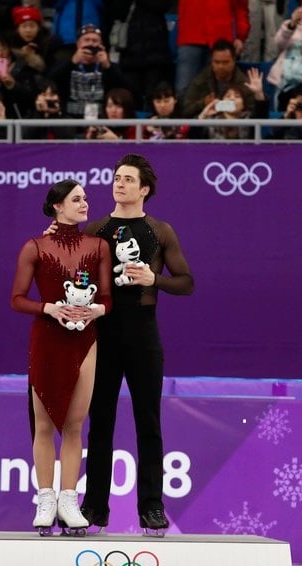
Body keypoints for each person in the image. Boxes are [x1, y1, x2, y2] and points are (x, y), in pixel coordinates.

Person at [80, 154, 195, 535]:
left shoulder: (160, 230)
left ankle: (152, 508)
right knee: (100, 423)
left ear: (144, 189)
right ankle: (95, 508)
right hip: (103, 332)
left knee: (149, 422)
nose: (119, 183)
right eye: (116, 177)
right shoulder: (95, 228)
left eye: (128, 179)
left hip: (143, 333)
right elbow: (76, 274)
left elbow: (187, 282)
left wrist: (153, 278)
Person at [11, 179, 112, 536]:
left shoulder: (98, 246)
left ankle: (69, 500)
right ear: (57, 205)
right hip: (47, 338)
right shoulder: (34, 246)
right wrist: (49, 307)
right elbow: (17, 298)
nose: (84, 203)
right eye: (76, 199)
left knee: (73, 424)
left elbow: (107, 298)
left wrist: (96, 310)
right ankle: (45, 497)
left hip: (84, 340)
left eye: (85, 198)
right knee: (42, 425)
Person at [181, 39, 255, 118]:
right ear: (211, 61)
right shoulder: (200, 80)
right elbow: (185, 110)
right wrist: (203, 103)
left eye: (225, 62)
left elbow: (253, 111)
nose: (221, 66)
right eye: (217, 62)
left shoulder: (243, 83)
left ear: (234, 61)